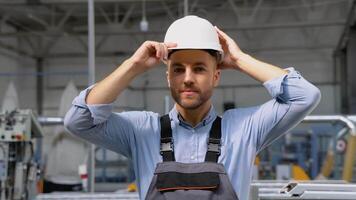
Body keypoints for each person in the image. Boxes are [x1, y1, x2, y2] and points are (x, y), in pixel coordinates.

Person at [64, 15, 321, 200]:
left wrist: (241, 59)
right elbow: (78, 121)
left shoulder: (245, 129)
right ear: (168, 76)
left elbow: (305, 96)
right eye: (178, 69)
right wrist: (133, 65)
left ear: (216, 76)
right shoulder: (142, 131)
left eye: (199, 68)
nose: (187, 78)